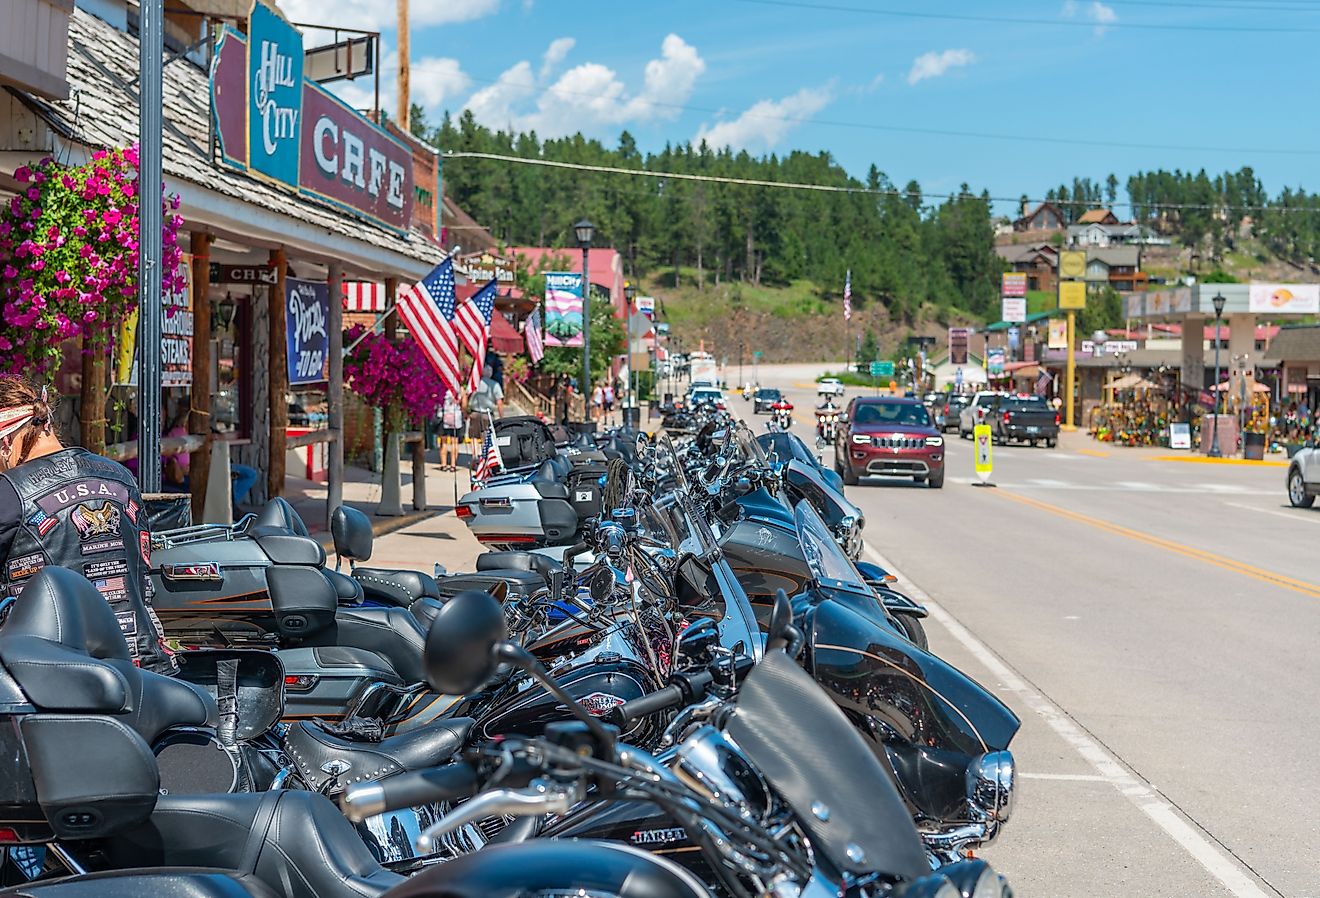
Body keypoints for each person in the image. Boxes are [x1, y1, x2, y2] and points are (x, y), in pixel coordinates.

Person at [0, 377, 176, 673]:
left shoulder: (10, 492)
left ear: (5, 442)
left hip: (50, 682)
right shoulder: (120, 476)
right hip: (144, 670)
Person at [467, 363, 504, 444]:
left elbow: (467, 396)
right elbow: (499, 402)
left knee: (473, 437)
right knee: (486, 436)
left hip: (474, 413)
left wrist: (465, 412)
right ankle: (485, 454)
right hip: (488, 415)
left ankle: (474, 455)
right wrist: (501, 416)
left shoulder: (474, 384)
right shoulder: (495, 385)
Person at [438, 389, 464, 472]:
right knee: (454, 442)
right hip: (456, 417)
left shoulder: (442, 388)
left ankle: (443, 464)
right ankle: (453, 465)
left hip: (444, 415)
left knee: (443, 441)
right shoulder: (460, 389)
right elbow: (464, 404)